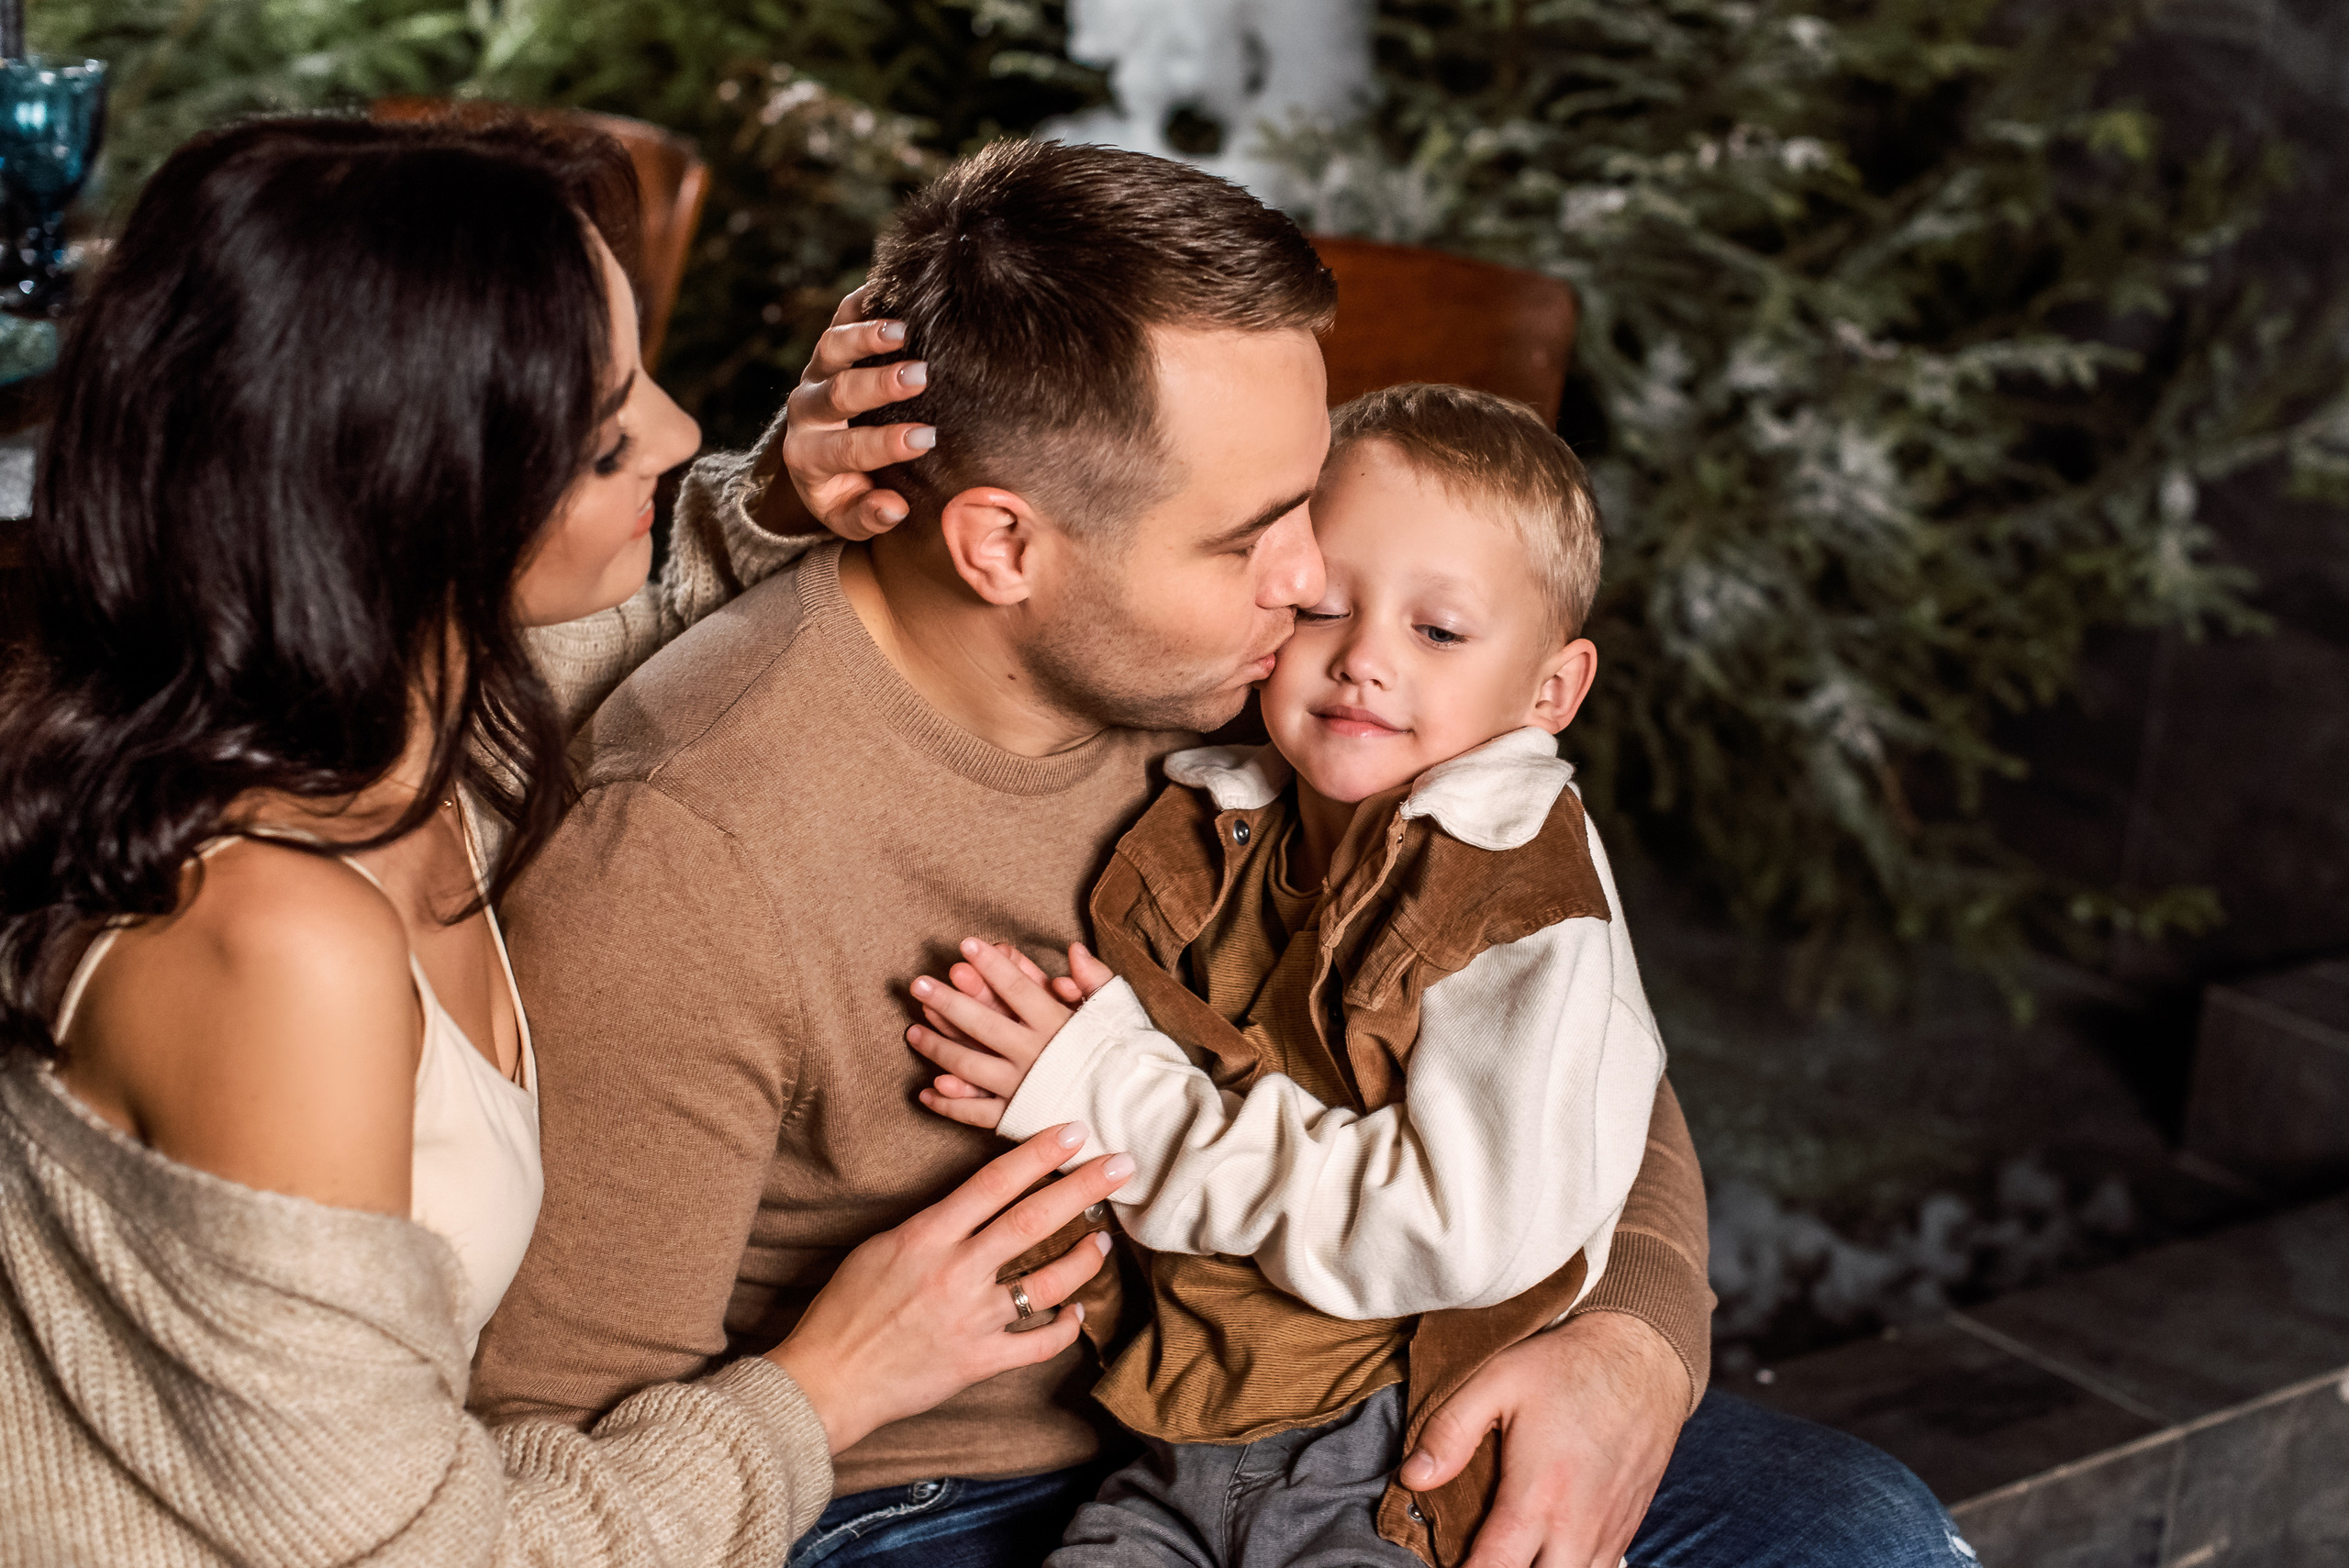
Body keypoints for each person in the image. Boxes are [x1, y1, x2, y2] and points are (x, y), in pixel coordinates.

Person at [478, 136, 1965, 1568]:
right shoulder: (683, 854)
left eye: (1305, 505)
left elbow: (1558, 1019)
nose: (1316, 583)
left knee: (1868, 1535)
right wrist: (824, 1389)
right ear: (1003, 547)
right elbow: (559, 1455)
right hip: (905, 1500)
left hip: (1331, 1408)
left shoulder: (1272, 682)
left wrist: (1634, 1335)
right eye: (1251, 536)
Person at [0, 115, 1131, 1566]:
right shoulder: (277, 936)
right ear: (421, 505)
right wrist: (825, 1383)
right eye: (606, 436)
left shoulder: (396, 733)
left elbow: (601, 639)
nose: (681, 433)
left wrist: (774, 502)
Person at [896, 382, 1670, 1566]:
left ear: (1551, 690)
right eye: (1325, 607)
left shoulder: (1521, 904)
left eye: (1439, 631)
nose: (1363, 660)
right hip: (1176, 1436)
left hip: (1394, 1462)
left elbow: (1458, 1230)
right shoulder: (1217, 814)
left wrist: (1110, 1100)